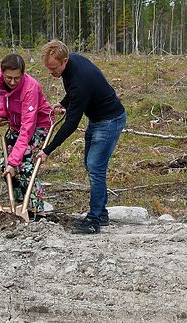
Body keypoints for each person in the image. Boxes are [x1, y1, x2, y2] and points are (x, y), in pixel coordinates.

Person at [35, 40, 126, 234]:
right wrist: (64, 103)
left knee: (95, 167)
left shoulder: (79, 80)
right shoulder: (72, 66)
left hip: (110, 120)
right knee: (90, 164)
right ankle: (101, 212)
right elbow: (75, 94)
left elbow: (71, 125)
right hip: (97, 118)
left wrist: (47, 150)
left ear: (64, 60)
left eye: (53, 68)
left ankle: (94, 220)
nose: (51, 73)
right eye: (48, 68)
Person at [0, 54, 53, 218]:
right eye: (8, 78)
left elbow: (27, 128)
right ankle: (21, 205)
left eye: (17, 78)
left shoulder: (30, 88)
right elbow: (2, 94)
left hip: (38, 126)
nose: (12, 82)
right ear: (2, 73)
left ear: (23, 74)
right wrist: (3, 114)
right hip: (16, 124)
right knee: (5, 166)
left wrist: (14, 162)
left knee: (25, 167)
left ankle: (37, 210)